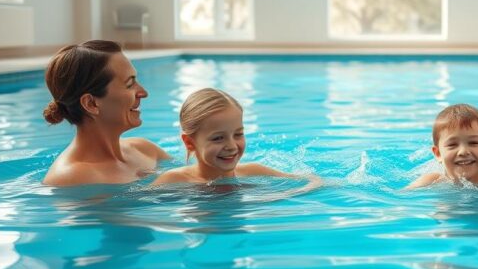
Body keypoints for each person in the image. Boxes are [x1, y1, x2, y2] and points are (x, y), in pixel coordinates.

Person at [42, 40, 169, 186]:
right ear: (91, 104)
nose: (143, 93)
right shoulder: (72, 177)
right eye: (129, 84)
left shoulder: (146, 149)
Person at [152, 88, 320, 188]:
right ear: (190, 142)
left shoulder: (255, 171)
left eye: (238, 134)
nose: (232, 146)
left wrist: (284, 194)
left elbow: (314, 181)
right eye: (218, 138)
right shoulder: (174, 181)